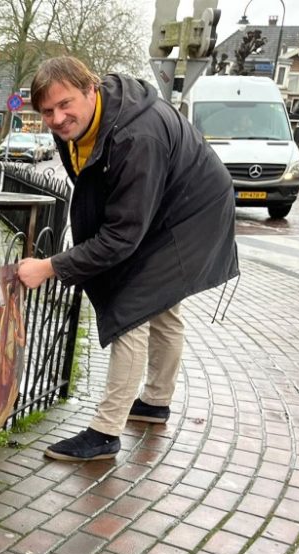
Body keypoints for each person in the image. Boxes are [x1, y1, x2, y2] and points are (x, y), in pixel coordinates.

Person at [17, 56, 238, 462]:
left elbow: (122, 236)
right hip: (166, 203)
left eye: (65, 104)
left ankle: (105, 433)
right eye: (47, 111)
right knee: (163, 307)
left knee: (132, 305)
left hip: (190, 213)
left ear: (91, 89)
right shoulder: (86, 122)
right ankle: (155, 402)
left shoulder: (137, 137)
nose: (58, 118)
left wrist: (51, 267)